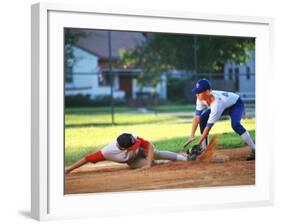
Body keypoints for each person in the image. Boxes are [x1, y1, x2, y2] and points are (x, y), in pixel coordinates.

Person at [185, 79, 255, 160]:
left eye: (199, 92)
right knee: (202, 119)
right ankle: (205, 150)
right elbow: (197, 118)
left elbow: (208, 128)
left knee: (235, 125)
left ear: (207, 92)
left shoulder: (216, 105)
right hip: (224, 105)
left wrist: (198, 144)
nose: (197, 95)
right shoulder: (200, 98)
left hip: (235, 104)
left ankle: (255, 149)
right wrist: (192, 135)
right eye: (196, 92)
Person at [65, 133, 188, 174]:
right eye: (133, 146)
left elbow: (148, 145)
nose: (136, 144)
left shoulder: (132, 138)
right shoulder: (108, 152)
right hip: (132, 161)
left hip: (141, 152)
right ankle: (162, 162)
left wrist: (148, 164)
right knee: (147, 163)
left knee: (155, 153)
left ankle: (182, 158)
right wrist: (68, 170)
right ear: (124, 148)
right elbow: (87, 158)